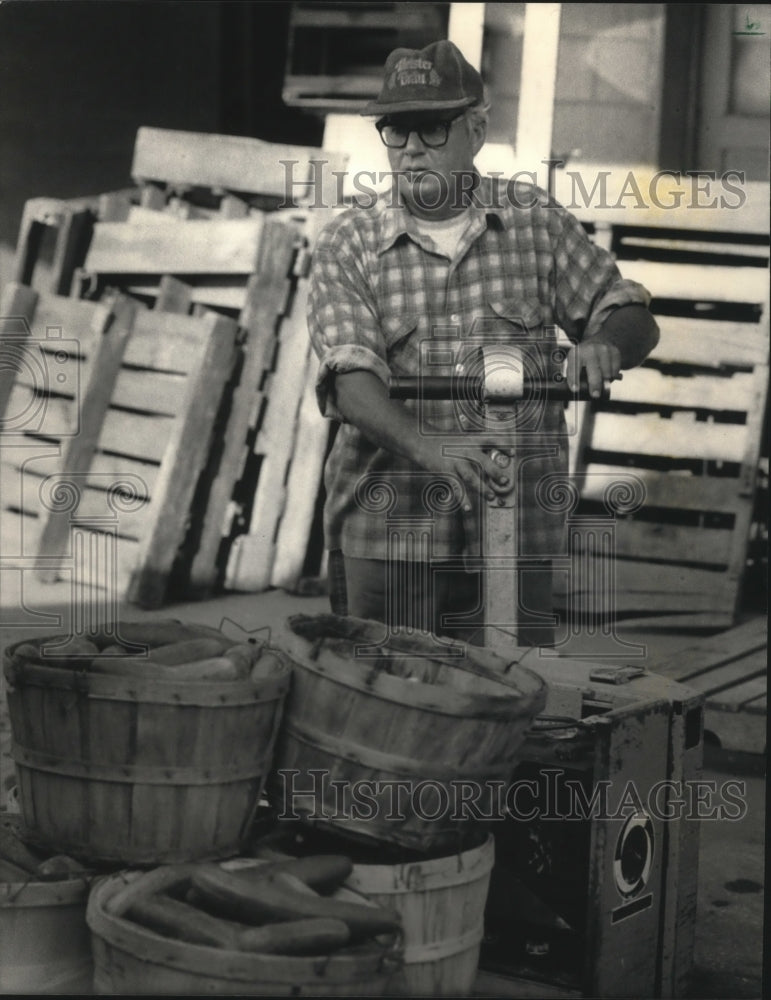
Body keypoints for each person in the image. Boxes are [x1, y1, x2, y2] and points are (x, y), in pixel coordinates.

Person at [307, 40, 659, 647]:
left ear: (476, 128)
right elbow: (351, 381)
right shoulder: (350, 244)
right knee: (386, 708)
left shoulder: (535, 224)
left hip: (516, 533)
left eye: (432, 128)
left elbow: (629, 311)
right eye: (396, 130)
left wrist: (606, 345)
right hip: (390, 532)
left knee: (511, 705)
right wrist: (436, 451)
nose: (412, 148)